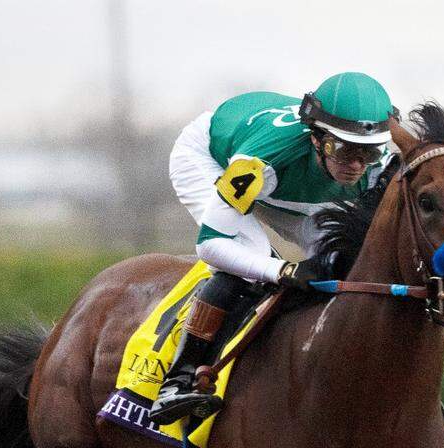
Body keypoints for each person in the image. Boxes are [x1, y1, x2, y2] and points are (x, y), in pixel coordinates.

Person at [150, 71, 398, 425]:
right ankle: (178, 379)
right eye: (343, 149)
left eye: (368, 152)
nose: (357, 164)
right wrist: (282, 270)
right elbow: (210, 244)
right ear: (317, 138)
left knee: (340, 263)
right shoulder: (260, 160)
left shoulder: (379, 167)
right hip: (211, 158)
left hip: (293, 188)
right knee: (248, 258)